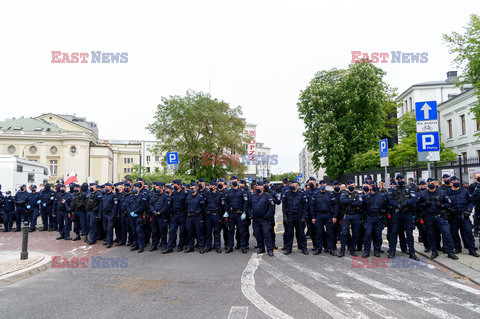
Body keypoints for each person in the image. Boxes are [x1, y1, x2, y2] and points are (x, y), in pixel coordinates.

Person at [416, 177, 458, 260]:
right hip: (429, 216)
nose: (431, 184)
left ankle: (450, 252)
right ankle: (434, 251)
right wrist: (424, 204)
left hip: (440, 215)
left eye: (432, 183)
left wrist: (442, 205)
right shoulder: (423, 194)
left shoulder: (442, 193)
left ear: (436, 183)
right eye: (428, 184)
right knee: (431, 235)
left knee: (446, 233)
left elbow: (449, 204)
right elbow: (417, 205)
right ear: (427, 185)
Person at [387, 174, 419, 260]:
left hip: (407, 213)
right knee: (394, 233)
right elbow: (390, 199)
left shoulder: (409, 189)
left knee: (409, 234)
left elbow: (413, 199)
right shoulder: (393, 190)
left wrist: (404, 204)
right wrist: (397, 205)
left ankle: (412, 253)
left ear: (404, 179)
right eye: (398, 179)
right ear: (396, 181)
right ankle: (392, 251)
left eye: (401, 179)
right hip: (397, 213)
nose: (400, 180)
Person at [448, 176, 479, 257]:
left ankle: (471, 249)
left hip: (464, 215)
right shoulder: (447, 192)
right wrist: (449, 208)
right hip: (453, 216)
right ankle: (457, 247)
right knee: (454, 233)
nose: (456, 182)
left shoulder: (464, 191)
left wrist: (468, 210)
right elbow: (444, 203)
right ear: (450, 183)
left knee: (468, 232)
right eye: (454, 181)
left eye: (457, 180)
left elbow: (471, 201)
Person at [310, 180, 338, 256]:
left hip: (328, 215)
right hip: (319, 215)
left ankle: (331, 249)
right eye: (321, 184)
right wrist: (313, 217)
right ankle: (318, 248)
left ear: (326, 185)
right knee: (319, 233)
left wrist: (334, 216)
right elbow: (312, 206)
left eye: (324, 184)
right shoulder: (315, 194)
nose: (322, 185)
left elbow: (335, 206)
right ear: (319, 186)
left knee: (330, 233)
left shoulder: (330, 194)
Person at [281, 180, 309, 255]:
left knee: (301, 233)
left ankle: (304, 248)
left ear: (297, 185)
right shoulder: (286, 193)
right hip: (290, 215)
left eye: (294, 184)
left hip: (299, 215)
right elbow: (283, 206)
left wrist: (304, 216)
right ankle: (288, 248)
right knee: (289, 233)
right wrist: (284, 216)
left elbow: (305, 206)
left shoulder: (301, 193)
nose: (292, 185)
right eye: (291, 184)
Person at [249, 181, 275, 256]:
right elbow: (249, 206)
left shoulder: (267, 196)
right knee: (258, 234)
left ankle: (270, 249)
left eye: (259, 187)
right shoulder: (253, 196)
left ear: (263, 188)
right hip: (256, 219)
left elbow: (271, 207)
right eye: (257, 187)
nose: (258, 188)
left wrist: (267, 216)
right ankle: (261, 248)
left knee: (267, 234)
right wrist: (250, 214)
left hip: (265, 219)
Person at [362, 181, 387, 258]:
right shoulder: (365, 196)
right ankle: (366, 251)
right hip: (369, 217)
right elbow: (363, 208)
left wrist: (384, 218)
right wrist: (363, 218)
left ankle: (377, 250)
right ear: (369, 187)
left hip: (378, 217)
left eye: (375, 185)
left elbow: (385, 207)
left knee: (377, 235)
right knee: (368, 234)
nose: (374, 187)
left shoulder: (381, 196)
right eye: (372, 185)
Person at [224, 176, 249, 254]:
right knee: (230, 231)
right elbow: (226, 202)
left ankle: (243, 246)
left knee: (241, 231)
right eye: (232, 181)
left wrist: (244, 212)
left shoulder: (242, 191)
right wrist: (226, 212)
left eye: (234, 180)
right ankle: (230, 246)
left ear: (237, 181)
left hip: (240, 214)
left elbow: (246, 202)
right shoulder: (229, 192)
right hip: (231, 214)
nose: (233, 182)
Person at [163, 179, 188, 254]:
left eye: (175, 185)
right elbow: (170, 205)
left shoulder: (184, 194)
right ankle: (169, 247)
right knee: (171, 231)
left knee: (182, 232)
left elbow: (187, 205)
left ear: (179, 185)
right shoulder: (173, 193)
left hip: (183, 214)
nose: (174, 186)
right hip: (174, 215)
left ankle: (180, 246)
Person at [338, 180, 363, 257]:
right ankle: (342, 250)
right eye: (349, 185)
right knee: (344, 233)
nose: (351, 186)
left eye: (352, 185)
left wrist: (349, 201)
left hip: (355, 215)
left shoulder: (358, 194)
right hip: (347, 215)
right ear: (347, 186)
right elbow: (343, 201)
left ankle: (352, 249)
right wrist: (353, 200)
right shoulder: (343, 193)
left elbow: (360, 203)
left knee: (355, 233)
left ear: (354, 186)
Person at [185, 181, 206, 253]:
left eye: (192, 188)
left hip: (197, 217)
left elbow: (203, 208)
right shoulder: (188, 197)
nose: (191, 189)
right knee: (190, 233)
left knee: (199, 233)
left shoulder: (200, 197)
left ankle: (201, 247)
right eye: (190, 188)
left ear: (196, 188)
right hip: (190, 217)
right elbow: (186, 206)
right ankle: (190, 247)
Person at [149, 182, 171, 252]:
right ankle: (154, 245)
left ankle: (164, 245)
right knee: (154, 231)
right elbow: (150, 204)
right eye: (156, 188)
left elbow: (166, 207)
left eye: (158, 188)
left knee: (163, 232)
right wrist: (154, 212)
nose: (156, 189)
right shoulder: (154, 196)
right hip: (154, 215)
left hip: (162, 216)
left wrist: (160, 212)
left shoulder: (166, 196)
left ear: (162, 188)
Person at [127, 182, 148, 253]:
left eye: (136, 188)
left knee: (139, 231)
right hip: (132, 216)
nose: (135, 189)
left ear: (139, 189)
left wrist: (135, 212)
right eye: (134, 188)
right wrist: (130, 212)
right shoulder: (131, 196)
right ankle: (135, 244)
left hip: (139, 216)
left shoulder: (142, 196)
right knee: (133, 231)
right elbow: (128, 205)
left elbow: (142, 206)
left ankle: (141, 246)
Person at [204, 180, 223, 253]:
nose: (210, 187)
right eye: (210, 186)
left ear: (215, 186)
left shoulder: (220, 195)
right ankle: (209, 246)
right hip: (209, 215)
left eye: (212, 186)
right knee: (208, 231)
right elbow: (204, 204)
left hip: (216, 215)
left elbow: (222, 206)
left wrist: (221, 216)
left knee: (217, 231)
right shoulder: (207, 194)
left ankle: (217, 246)